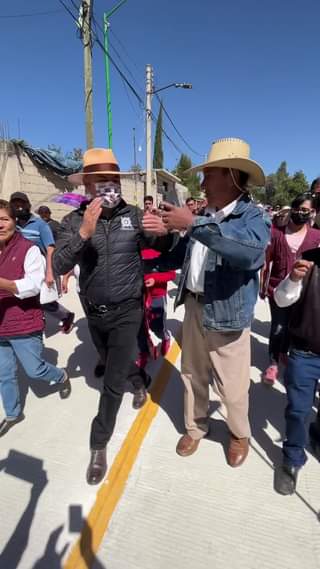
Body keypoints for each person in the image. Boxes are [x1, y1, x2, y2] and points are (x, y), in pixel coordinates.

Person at [143, 137, 270, 467]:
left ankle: (239, 433)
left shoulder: (251, 217)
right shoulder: (205, 215)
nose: (201, 182)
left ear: (229, 175)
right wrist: (163, 235)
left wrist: (194, 224)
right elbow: (179, 258)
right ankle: (195, 427)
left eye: (208, 174)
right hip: (195, 307)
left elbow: (250, 254)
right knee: (191, 374)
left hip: (228, 314)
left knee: (231, 386)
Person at [53, 148, 172, 485]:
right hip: (94, 313)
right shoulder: (72, 221)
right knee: (110, 360)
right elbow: (59, 265)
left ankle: (98, 442)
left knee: (110, 381)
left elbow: (161, 247)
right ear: (87, 187)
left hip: (127, 310)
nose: (107, 187)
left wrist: (164, 231)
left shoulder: (133, 215)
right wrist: (84, 233)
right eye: (99, 182)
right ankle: (139, 382)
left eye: (112, 181)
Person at [0, 200, 71, 437]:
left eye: (4, 219)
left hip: (22, 322)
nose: (0, 225)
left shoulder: (28, 249)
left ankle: (60, 375)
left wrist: (3, 283)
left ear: (14, 222)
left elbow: (32, 286)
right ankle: (12, 413)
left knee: (34, 371)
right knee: (5, 373)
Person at [273, 250, 320, 495]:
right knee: (298, 411)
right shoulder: (309, 261)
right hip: (306, 353)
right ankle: (292, 458)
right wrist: (292, 279)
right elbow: (281, 299)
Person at [260, 194, 320, 385]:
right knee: (278, 326)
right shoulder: (276, 233)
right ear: (292, 209)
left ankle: (285, 352)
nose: (301, 213)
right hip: (277, 289)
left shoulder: (316, 236)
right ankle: (273, 363)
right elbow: (265, 262)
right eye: (299, 209)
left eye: (306, 211)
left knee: (293, 327)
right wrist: (263, 286)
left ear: (312, 213)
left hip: (304, 293)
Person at [9, 193, 74, 334]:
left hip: (39, 268)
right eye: (15, 204)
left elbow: (50, 248)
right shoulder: (11, 224)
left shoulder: (40, 225)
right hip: (18, 269)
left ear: (28, 205)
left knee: (41, 299)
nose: (18, 207)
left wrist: (49, 273)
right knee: (22, 296)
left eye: (21, 203)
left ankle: (65, 315)